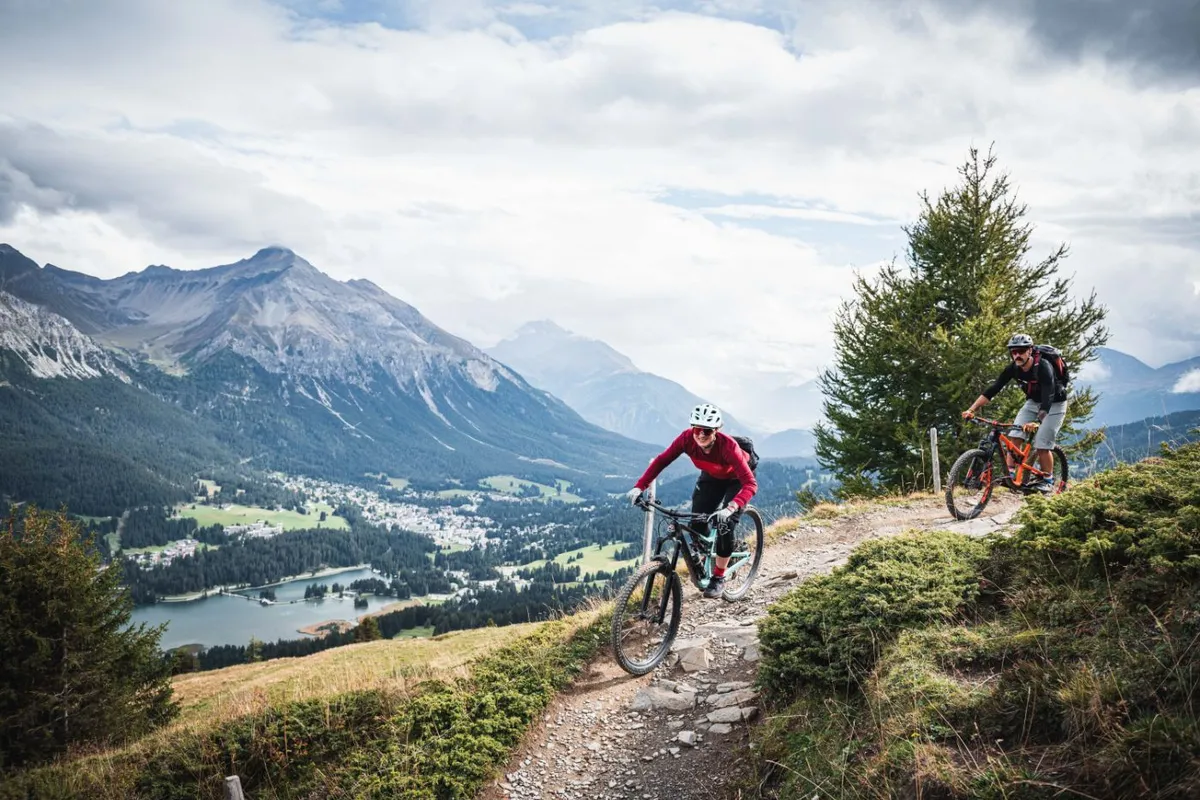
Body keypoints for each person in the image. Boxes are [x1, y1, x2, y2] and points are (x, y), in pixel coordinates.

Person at [624, 403, 758, 598]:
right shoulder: (686, 439)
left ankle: (719, 577)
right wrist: (640, 486)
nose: (701, 434)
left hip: (737, 479)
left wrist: (731, 507)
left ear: (716, 431)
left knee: (725, 524)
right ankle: (710, 554)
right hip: (712, 476)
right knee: (697, 523)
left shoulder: (728, 447)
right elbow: (662, 460)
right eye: (697, 428)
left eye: (707, 430)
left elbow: (750, 484)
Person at [962, 333, 1068, 492]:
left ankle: (1048, 479)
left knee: (1042, 444)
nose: (1017, 355)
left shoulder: (1044, 367)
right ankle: (1010, 474)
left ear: (1030, 351)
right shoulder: (1013, 369)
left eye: (1021, 351)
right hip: (1033, 402)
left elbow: (1049, 396)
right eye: (1014, 352)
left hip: (1054, 404)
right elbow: (993, 389)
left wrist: (1038, 422)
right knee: (1014, 436)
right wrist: (971, 409)